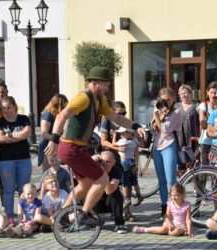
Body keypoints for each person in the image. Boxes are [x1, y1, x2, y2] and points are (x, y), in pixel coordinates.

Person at [45, 66, 146, 227]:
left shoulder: (100, 100)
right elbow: (62, 115)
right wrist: (54, 139)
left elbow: (116, 118)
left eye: (108, 84)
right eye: (105, 84)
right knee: (102, 178)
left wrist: (135, 126)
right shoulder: (83, 98)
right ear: (94, 83)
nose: (108, 88)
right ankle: (84, 214)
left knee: (86, 183)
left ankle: (61, 215)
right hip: (71, 148)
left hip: (78, 149)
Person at [100, 101, 143, 213]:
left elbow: (135, 146)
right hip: (111, 158)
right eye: (120, 113)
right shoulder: (106, 121)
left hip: (126, 160)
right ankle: (114, 211)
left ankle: (127, 212)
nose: (123, 116)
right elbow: (103, 142)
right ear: (113, 113)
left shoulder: (126, 123)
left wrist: (136, 164)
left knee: (127, 183)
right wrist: (117, 149)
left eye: (125, 113)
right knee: (113, 185)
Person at [0, 96, 32, 227]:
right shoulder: (0, 122)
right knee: (8, 190)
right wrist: (18, 137)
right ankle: (10, 217)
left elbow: (26, 133)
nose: (6, 110)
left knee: (24, 190)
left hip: (24, 159)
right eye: (3, 108)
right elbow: (0, 138)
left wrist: (10, 136)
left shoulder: (23, 119)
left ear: (14, 107)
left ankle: (25, 216)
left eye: (8, 108)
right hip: (5, 161)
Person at [151, 87, 182, 220]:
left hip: (169, 145)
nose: (165, 103)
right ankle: (164, 208)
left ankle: (176, 208)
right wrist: (156, 114)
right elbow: (153, 129)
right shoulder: (160, 111)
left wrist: (157, 116)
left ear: (174, 99)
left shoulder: (176, 112)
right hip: (158, 147)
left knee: (171, 181)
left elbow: (164, 131)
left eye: (168, 100)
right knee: (161, 181)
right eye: (163, 100)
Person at [93, 151, 128, 234]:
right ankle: (87, 218)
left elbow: (109, 191)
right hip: (93, 203)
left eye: (108, 162)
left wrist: (103, 173)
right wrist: (90, 160)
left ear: (114, 163)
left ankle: (119, 224)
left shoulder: (117, 171)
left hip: (108, 204)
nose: (105, 164)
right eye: (102, 161)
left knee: (117, 194)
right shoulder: (93, 169)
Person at [38, 94, 68, 172]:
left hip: (55, 145)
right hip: (47, 147)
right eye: (64, 106)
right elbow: (44, 133)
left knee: (57, 171)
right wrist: (58, 139)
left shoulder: (56, 115)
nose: (65, 108)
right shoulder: (47, 114)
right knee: (48, 172)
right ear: (58, 105)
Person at [112, 127, 140, 210]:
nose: (121, 135)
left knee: (125, 182)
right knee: (134, 180)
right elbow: (138, 147)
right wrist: (135, 136)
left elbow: (113, 144)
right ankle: (139, 195)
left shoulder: (122, 142)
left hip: (124, 163)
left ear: (124, 134)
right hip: (132, 162)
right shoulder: (134, 141)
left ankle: (126, 199)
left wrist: (114, 135)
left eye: (122, 134)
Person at [197, 82, 217, 164]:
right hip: (205, 142)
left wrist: (208, 122)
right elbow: (203, 125)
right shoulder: (203, 105)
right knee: (205, 167)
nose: (213, 95)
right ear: (207, 92)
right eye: (211, 92)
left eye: (215, 93)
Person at [175, 85, 200, 154]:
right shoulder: (176, 106)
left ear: (190, 94)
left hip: (193, 139)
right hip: (179, 139)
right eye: (181, 93)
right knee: (181, 161)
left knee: (193, 161)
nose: (184, 95)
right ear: (179, 95)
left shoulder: (197, 106)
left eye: (185, 93)